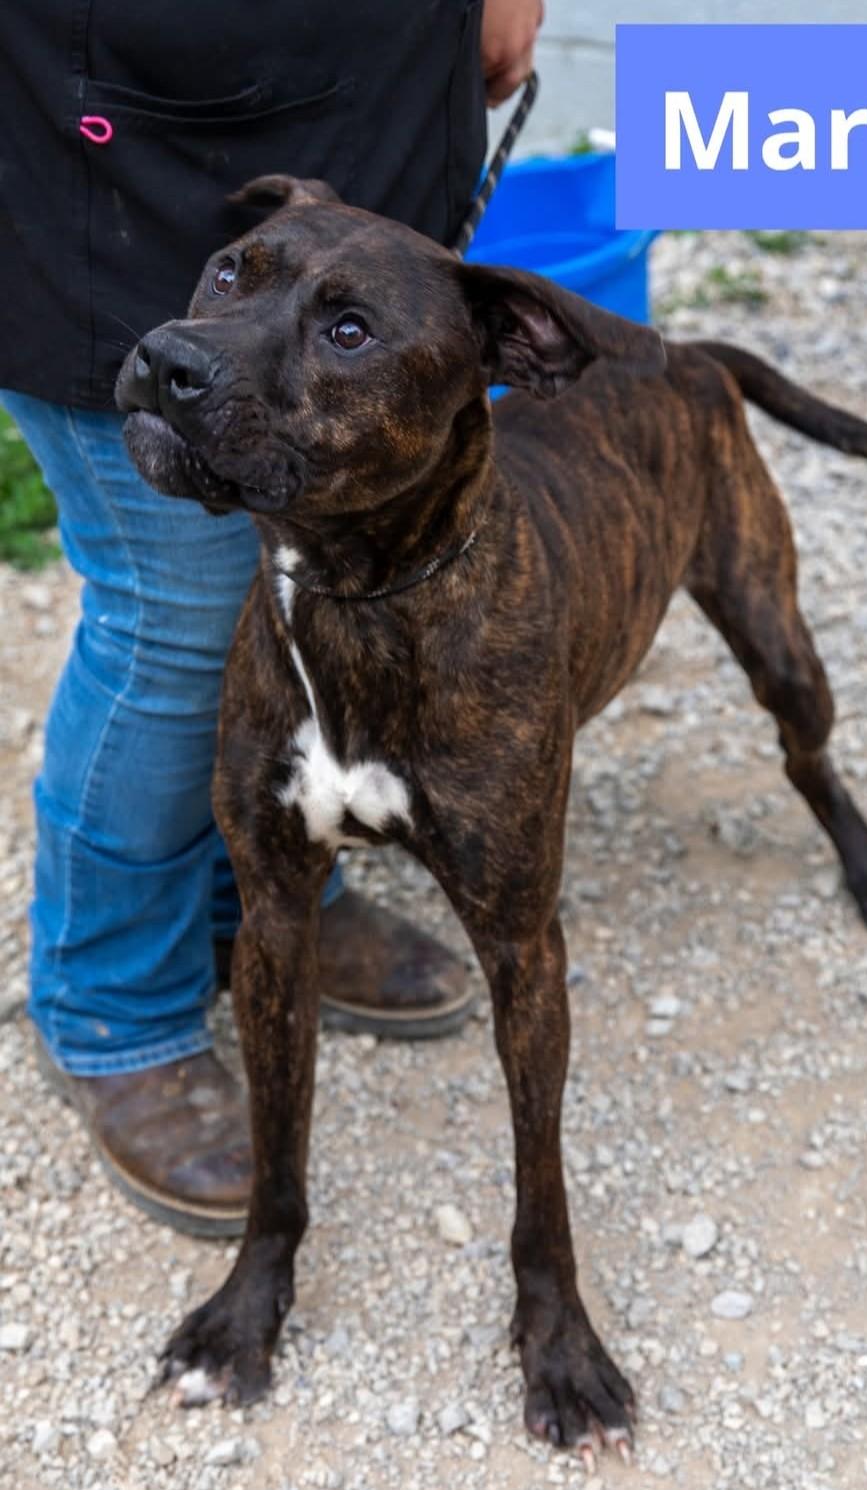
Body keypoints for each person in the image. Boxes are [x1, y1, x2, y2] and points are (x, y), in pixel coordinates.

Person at [0, 0, 544, 1236]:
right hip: (122, 116)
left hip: (373, 76)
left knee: (321, 574)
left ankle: (263, 888)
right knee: (179, 612)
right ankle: (111, 1004)